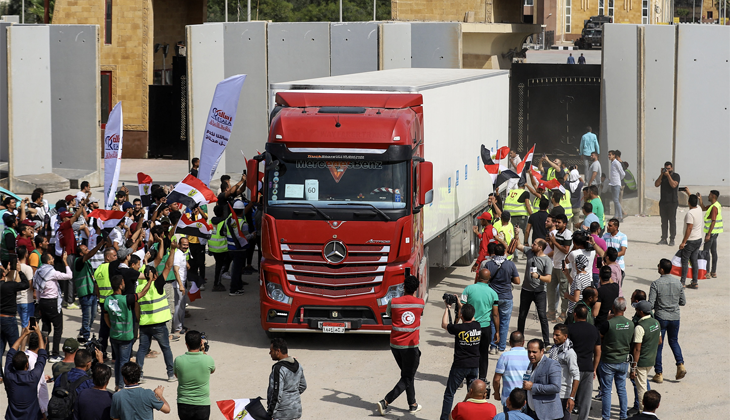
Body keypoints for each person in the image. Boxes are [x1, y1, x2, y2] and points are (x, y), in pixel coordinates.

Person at [378, 276, 424, 415]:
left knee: (407, 374)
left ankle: (412, 404)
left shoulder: (393, 302)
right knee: (408, 377)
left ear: (403, 287)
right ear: (416, 289)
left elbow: (389, 314)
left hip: (395, 345)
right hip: (410, 347)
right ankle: (385, 401)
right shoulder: (420, 303)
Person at [104, 269, 155, 391]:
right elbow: (142, 293)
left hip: (114, 335)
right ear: (121, 285)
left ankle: (117, 384)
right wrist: (150, 280)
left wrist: (112, 327)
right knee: (124, 362)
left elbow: (106, 317)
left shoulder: (108, 300)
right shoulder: (126, 299)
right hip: (126, 337)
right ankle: (121, 386)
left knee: (117, 362)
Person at [136, 239, 177, 384]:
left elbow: (145, 271)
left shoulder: (139, 288)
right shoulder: (158, 284)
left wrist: (145, 261)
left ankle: (139, 375)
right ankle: (170, 374)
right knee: (166, 348)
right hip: (159, 324)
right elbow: (168, 265)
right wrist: (172, 250)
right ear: (154, 276)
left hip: (145, 324)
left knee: (142, 349)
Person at [439, 302, 481, 420]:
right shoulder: (477, 326)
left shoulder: (458, 328)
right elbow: (471, 316)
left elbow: (444, 324)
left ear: (461, 315)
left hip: (460, 366)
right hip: (474, 365)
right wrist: (459, 303)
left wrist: (447, 308)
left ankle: (444, 418)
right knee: (473, 395)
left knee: (449, 393)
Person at [648, 259, 686, 384]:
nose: (657, 267)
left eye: (659, 266)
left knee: (658, 345)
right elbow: (683, 302)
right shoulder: (678, 283)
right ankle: (680, 365)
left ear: (662, 269)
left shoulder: (656, 284)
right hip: (675, 317)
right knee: (674, 341)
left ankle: (659, 373)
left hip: (661, 317)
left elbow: (651, 304)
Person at [598, 297, 634, 420]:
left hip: (608, 360)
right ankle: (623, 416)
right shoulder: (631, 324)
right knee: (622, 389)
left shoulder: (608, 324)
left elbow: (599, 337)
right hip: (623, 361)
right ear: (625, 308)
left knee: (607, 391)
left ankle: (606, 417)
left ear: (613, 308)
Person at [461, 269, 499, 382]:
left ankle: (464, 377)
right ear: (489, 278)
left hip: (469, 326)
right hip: (485, 328)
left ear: (478, 277)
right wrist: (497, 331)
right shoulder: (493, 293)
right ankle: (482, 378)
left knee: (467, 352)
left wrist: (458, 322)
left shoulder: (468, 289)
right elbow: (495, 314)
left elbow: (461, 308)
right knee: (483, 353)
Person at [4, 326, 48, 420]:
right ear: (27, 365)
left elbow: (10, 352)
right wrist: (38, 333)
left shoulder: (9, 375)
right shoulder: (33, 377)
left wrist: (24, 334)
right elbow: (42, 355)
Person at [35, 251, 73, 362]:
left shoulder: (38, 272)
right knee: (58, 328)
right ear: (47, 261)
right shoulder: (51, 272)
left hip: (43, 302)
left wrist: (39, 303)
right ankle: (55, 354)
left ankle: (44, 352)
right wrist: (65, 262)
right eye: (51, 258)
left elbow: (37, 290)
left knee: (45, 328)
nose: (53, 260)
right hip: (52, 302)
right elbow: (69, 276)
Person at [515, 236, 552, 345]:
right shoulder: (530, 252)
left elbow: (548, 279)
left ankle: (546, 342)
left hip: (540, 292)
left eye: (534, 243)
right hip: (526, 290)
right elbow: (518, 245)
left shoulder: (547, 260)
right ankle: (519, 340)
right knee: (522, 315)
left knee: (542, 317)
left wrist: (538, 276)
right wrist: (517, 235)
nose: (532, 245)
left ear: (540, 247)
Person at [484, 244, 520, 354]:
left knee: (492, 321)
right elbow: (517, 281)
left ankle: (493, 346)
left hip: (492, 297)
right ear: (504, 252)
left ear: (494, 252)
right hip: (506, 297)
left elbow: (485, 279)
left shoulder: (489, 264)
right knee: (504, 322)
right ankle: (501, 347)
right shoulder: (510, 264)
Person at [567, 305, 601, 420]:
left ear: (575, 314)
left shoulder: (569, 329)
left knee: (569, 395)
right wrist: (594, 368)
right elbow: (598, 352)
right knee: (586, 399)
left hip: (572, 368)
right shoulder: (594, 330)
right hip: (588, 368)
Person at [174, 331, 215, 420]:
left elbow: (177, 375)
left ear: (186, 344)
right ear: (201, 343)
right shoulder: (208, 359)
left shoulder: (178, 360)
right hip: (203, 404)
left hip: (183, 403)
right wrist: (203, 350)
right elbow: (212, 371)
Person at [629, 301, 660, 414]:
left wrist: (633, 368)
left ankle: (644, 412)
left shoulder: (640, 327)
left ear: (641, 312)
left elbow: (637, 349)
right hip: (651, 359)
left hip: (641, 362)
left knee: (641, 388)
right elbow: (659, 341)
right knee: (644, 383)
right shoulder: (656, 322)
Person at [73, 239, 106, 344]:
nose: (88, 251)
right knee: (87, 317)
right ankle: (86, 338)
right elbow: (90, 254)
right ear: (81, 253)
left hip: (91, 293)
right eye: (86, 250)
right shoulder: (78, 261)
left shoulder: (87, 262)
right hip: (85, 294)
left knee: (93, 316)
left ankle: (83, 333)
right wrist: (99, 244)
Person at [522, 339, 563, 420]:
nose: (531, 355)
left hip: (548, 415)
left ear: (542, 351)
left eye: (534, 352)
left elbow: (556, 387)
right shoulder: (531, 364)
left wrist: (532, 387)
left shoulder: (552, 364)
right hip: (531, 414)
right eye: (529, 352)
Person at [268, 338, 307, 420]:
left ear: (278, 351)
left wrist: (270, 413)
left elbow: (276, 392)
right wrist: (292, 397)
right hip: (296, 410)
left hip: (281, 413)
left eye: (271, 351)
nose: (270, 353)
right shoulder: (298, 365)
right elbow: (303, 386)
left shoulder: (279, 368)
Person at [0, 262, 29, 372]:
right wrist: (19, 271)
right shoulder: (10, 285)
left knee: (0, 347)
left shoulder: (7, 284)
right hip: (9, 319)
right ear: (3, 274)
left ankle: (0, 375)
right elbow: (25, 284)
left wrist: (5, 273)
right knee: (14, 346)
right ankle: (18, 371)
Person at [492, 332, 530, 412]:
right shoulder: (530, 356)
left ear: (510, 343)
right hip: (526, 399)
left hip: (509, 400)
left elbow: (496, 379)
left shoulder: (505, 356)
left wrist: (496, 393)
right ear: (523, 342)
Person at [549, 324, 580, 420]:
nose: (554, 337)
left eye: (557, 335)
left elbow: (576, 375)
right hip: (552, 392)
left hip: (563, 395)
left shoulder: (569, 353)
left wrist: (571, 397)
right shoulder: (554, 349)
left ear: (565, 336)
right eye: (554, 335)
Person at [546, 214, 572, 323]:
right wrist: (550, 242)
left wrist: (554, 241)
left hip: (563, 267)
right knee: (550, 289)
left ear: (565, 224)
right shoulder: (556, 233)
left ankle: (563, 313)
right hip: (555, 265)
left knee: (563, 291)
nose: (556, 224)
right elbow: (555, 248)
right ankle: (551, 311)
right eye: (556, 222)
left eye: (559, 222)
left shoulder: (568, 234)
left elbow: (566, 250)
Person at [678, 193, 703, 289]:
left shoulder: (690, 214)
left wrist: (683, 242)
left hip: (691, 241)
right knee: (694, 261)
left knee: (685, 261)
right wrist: (690, 193)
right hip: (698, 239)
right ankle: (694, 282)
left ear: (688, 203)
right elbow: (697, 202)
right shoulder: (699, 209)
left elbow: (689, 228)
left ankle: (682, 282)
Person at [654, 162, 680, 246]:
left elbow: (673, 185)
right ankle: (663, 238)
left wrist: (668, 175)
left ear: (671, 168)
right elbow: (656, 184)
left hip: (672, 202)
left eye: (668, 168)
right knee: (664, 221)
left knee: (672, 221)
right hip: (663, 202)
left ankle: (672, 239)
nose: (667, 170)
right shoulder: (663, 176)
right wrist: (661, 174)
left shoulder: (676, 176)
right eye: (666, 168)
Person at [562, 254, 593, 323]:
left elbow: (576, 298)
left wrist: (567, 295)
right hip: (583, 309)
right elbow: (575, 286)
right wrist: (567, 274)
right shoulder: (587, 275)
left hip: (574, 310)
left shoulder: (578, 278)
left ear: (576, 264)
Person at [699, 189, 721, 279]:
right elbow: (703, 208)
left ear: (713, 196)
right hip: (715, 232)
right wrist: (700, 199)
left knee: (706, 252)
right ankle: (713, 272)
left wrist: (708, 234)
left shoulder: (714, 207)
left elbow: (713, 221)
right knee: (714, 251)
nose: (708, 196)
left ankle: (707, 272)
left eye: (709, 195)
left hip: (711, 233)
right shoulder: (715, 205)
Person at [607, 150, 625, 222]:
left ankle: (620, 216)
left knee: (616, 200)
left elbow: (622, 173)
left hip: (616, 184)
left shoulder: (617, 163)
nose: (609, 156)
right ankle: (616, 215)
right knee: (615, 200)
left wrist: (618, 180)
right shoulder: (612, 163)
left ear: (614, 155)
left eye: (610, 155)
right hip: (612, 183)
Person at [588, 222, 607, 287]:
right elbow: (604, 256)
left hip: (587, 270)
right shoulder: (601, 241)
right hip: (597, 271)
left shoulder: (586, 240)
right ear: (598, 229)